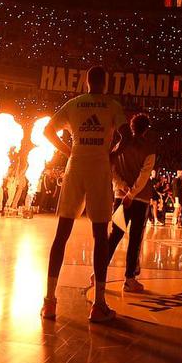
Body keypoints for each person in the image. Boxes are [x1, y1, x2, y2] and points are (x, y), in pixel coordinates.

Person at [41, 65, 131, 324]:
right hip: (99, 167)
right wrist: (112, 153)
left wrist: (68, 150)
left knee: (62, 233)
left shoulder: (74, 104)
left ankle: (49, 302)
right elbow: (126, 135)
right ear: (106, 83)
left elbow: (47, 131)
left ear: (87, 82)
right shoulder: (112, 106)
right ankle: (99, 304)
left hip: (76, 165)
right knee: (100, 235)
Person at [103, 113, 157, 292]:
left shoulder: (119, 146)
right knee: (135, 239)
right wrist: (132, 193)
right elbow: (144, 175)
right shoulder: (149, 148)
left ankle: (99, 273)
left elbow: (112, 171)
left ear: (131, 127)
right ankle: (129, 279)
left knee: (114, 236)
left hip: (120, 198)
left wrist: (124, 189)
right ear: (146, 129)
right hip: (140, 200)